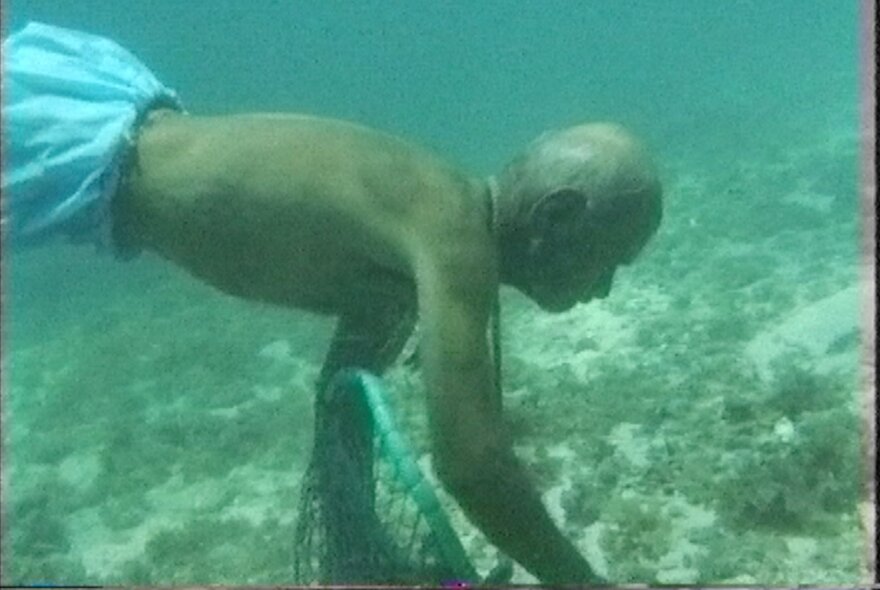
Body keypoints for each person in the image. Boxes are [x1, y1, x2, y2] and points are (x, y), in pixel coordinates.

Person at [2, 22, 662, 584]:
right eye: (612, 262)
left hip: (91, 117)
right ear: (561, 215)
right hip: (56, 140)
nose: (603, 289)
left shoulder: (421, 240)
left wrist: (369, 546)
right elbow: (473, 468)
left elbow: (344, 394)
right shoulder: (453, 242)